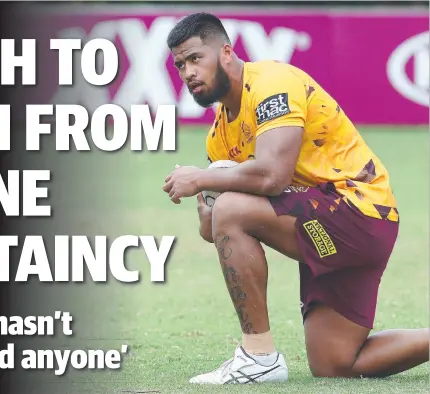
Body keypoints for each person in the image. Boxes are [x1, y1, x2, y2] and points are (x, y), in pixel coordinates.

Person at [162, 12, 429, 384]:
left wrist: (204, 179)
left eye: (195, 58)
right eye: (179, 65)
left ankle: (259, 357)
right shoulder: (219, 135)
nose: (188, 72)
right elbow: (214, 230)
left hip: (359, 211)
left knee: (233, 208)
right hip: (328, 229)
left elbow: (273, 175)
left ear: (225, 52)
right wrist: (207, 194)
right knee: (336, 363)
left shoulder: (272, 82)